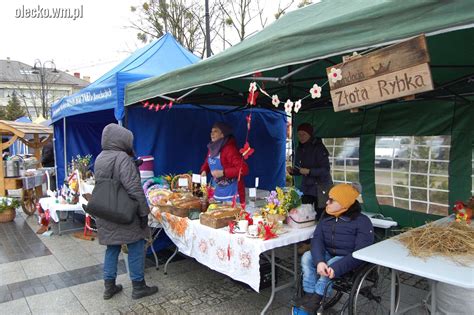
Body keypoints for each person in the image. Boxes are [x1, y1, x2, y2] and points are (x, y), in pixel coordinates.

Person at [94, 123, 158, 300]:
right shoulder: (122, 157)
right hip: (125, 212)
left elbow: (109, 181)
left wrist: (132, 165)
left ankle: (109, 286)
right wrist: (144, 213)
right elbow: (134, 189)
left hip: (106, 210)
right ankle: (138, 286)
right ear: (121, 139)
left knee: (112, 248)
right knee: (136, 245)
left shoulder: (101, 157)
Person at [294, 183, 374, 313]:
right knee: (307, 257)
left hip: (349, 260)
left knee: (331, 263)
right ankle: (309, 295)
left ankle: (318, 298)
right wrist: (319, 261)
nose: (327, 202)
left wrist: (335, 268)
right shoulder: (326, 217)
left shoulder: (362, 222)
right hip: (329, 254)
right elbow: (317, 239)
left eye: (331, 200)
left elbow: (360, 253)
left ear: (344, 203)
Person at [287, 123, 332, 220]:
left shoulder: (319, 148)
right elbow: (301, 169)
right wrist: (293, 171)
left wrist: (309, 171)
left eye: (304, 134)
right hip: (307, 188)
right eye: (299, 134)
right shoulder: (300, 148)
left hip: (321, 188)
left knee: (321, 216)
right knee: (306, 215)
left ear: (310, 134)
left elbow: (325, 170)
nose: (301, 137)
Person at [200, 122, 249, 207]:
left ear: (222, 134)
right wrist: (204, 170)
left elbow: (244, 169)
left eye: (215, 131)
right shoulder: (212, 148)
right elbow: (207, 162)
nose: (212, 133)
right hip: (218, 190)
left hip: (232, 193)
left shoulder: (230, 149)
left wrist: (223, 172)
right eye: (211, 131)